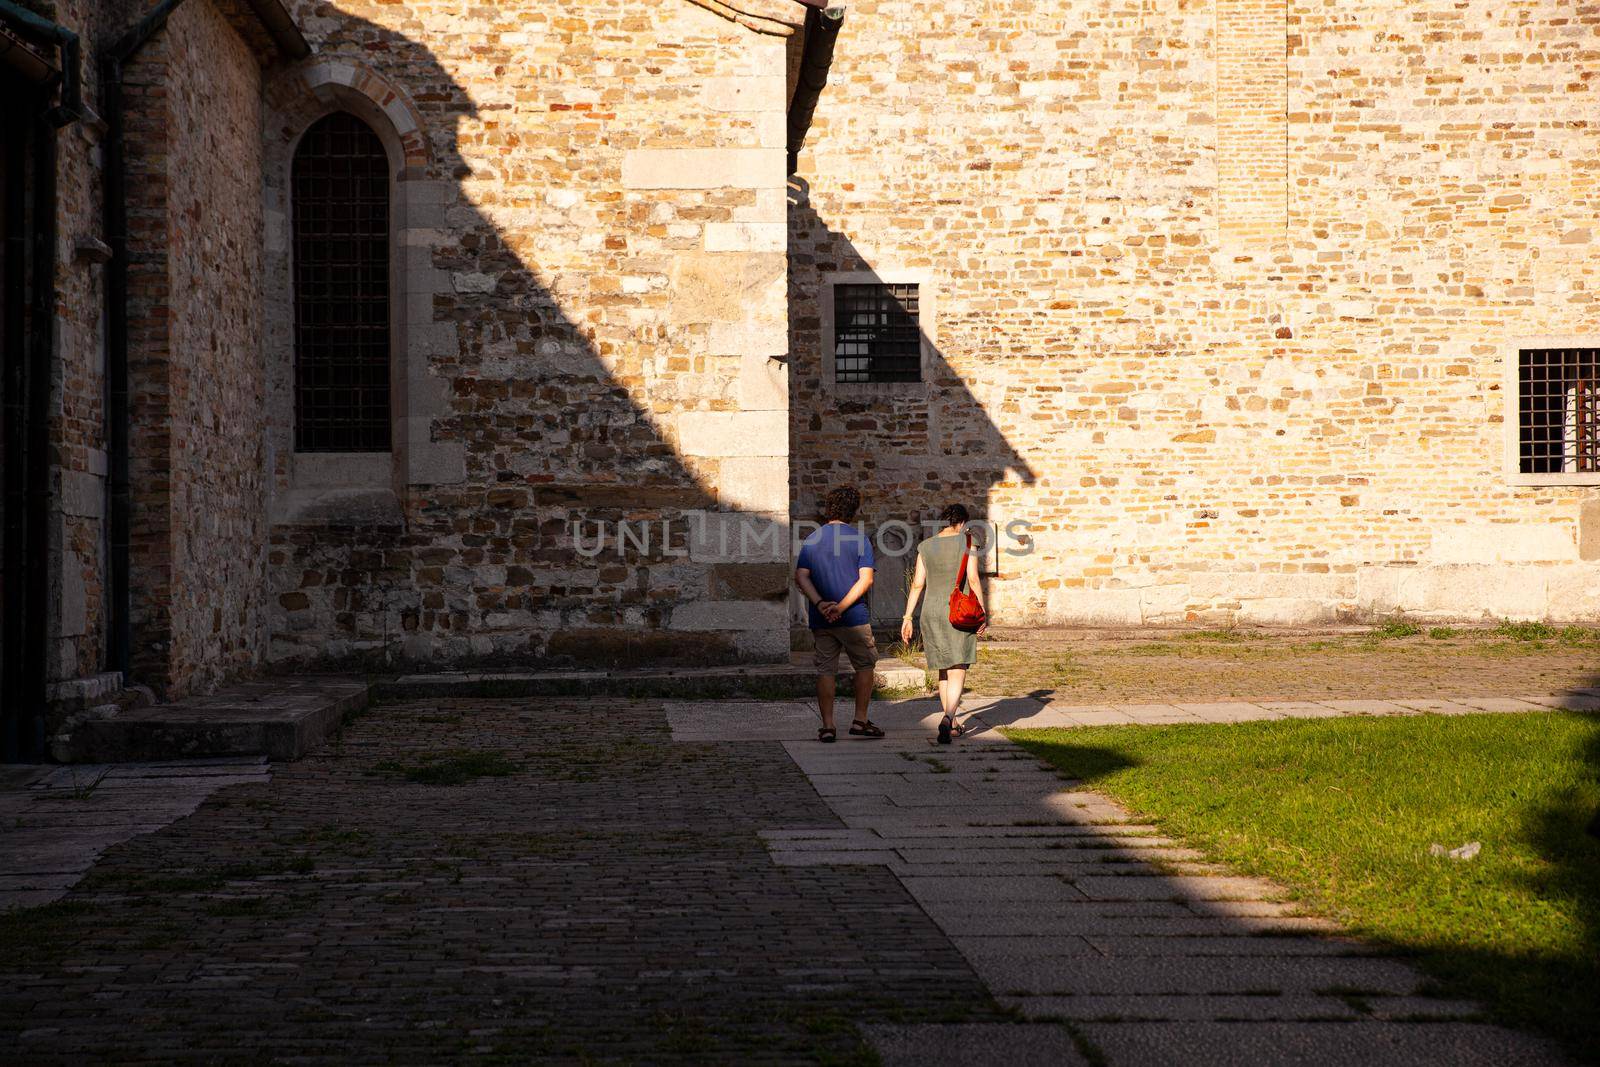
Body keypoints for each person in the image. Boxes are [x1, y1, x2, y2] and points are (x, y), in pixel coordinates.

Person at [795, 486, 881, 743]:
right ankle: (860, 720)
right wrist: (841, 608)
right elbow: (865, 581)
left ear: (828, 508)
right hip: (853, 617)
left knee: (826, 670)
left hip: (822, 618)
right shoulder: (859, 539)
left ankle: (828, 725)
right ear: (854, 510)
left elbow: (801, 576)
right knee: (865, 666)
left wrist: (821, 603)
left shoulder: (812, 539)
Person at [901, 503, 988, 743]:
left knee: (943, 666)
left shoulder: (925, 546)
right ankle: (949, 716)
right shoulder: (968, 541)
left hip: (931, 610)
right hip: (958, 610)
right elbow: (972, 578)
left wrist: (908, 617)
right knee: (958, 665)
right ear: (962, 523)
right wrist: (982, 612)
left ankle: (952, 724)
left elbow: (918, 584)